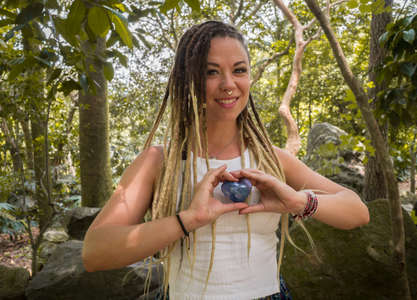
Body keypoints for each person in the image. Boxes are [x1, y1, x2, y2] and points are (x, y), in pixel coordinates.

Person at [82, 21, 370, 299]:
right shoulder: (159, 161)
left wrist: (298, 201)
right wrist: (189, 220)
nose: (229, 84)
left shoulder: (272, 158)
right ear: (187, 79)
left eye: (239, 70)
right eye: (211, 72)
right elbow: (94, 252)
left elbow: (357, 211)